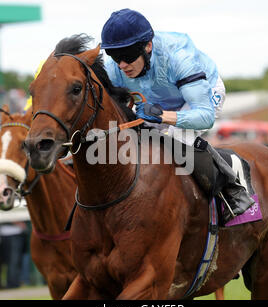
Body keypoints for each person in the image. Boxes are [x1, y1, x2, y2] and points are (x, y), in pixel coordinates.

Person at [101, 9, 254, 220]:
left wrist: (162, 116)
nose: (122, 65)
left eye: (127, 57)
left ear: (148, 46)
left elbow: (205, 117)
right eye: (115, 57)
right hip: (157, 100)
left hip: (202, 97)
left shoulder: (179, 57)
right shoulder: (115, 67)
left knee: (175, 140)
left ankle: (232, 190)